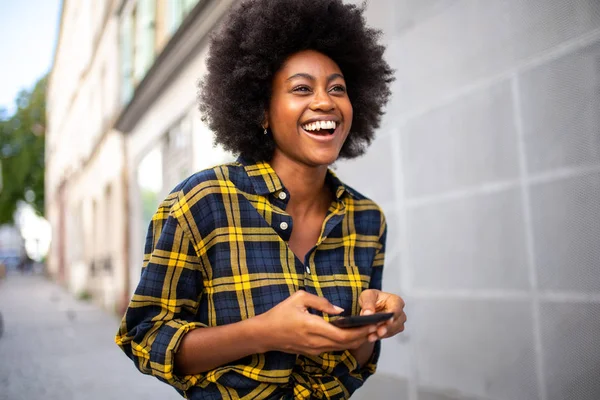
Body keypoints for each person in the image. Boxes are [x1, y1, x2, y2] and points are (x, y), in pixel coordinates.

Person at [115, 0, 406, 398]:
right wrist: (264, 333)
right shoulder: (201, 203)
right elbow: (146, 337)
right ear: (261, 112)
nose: (325, 102)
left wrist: (369, 327)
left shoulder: (367, 219)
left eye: (337, 88)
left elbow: (354, 363)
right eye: (302, 88)